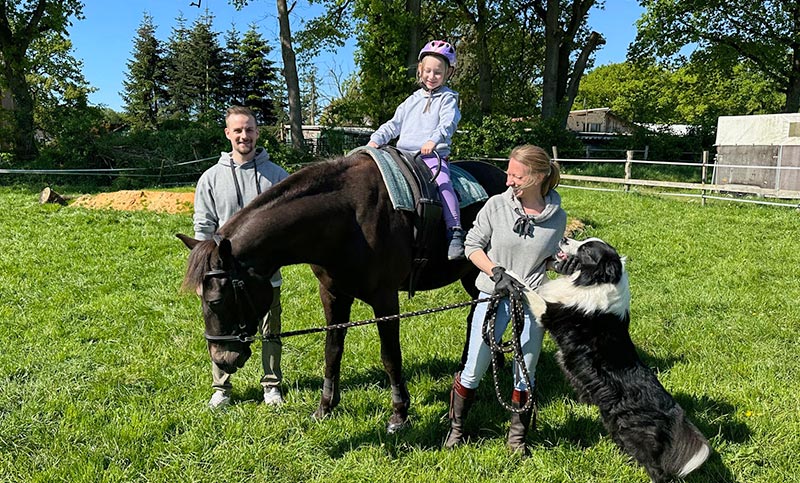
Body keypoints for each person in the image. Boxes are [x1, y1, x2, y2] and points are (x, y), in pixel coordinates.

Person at [443, 144, 567, 454]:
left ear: (538, 177)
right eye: (509, 173)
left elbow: (548, 259)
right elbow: (472, 246)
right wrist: (496, 271)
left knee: (526, 370)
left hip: (532, 300)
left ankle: (517, 438)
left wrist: (559, 264)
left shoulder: (557, 217)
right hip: (494, 295)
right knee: (474, 367)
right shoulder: (496, 206)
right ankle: (456, 429)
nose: (509, 180)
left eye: (517, 175)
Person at [193, 105, 290, 409]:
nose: (244, 135)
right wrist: (204, 276)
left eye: (249, 129)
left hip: (264, 273)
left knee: (270, 329)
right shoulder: (210, 179)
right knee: (221, 329)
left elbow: (290, 222)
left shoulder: (277, 177)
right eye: (238, 130)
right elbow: (203, 227)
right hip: (224, 277)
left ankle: (271, 385)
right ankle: (221, 387)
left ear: (258, 132)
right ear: (228, 134)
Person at [367, 40, 465, 260]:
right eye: (428, 71)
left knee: (443, 183)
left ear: (448, 72)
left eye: (438, 72)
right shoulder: (412, 99)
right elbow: (394, 124)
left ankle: (455, 230)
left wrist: (433, 141)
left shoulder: (448, 99)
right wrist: (375, 140)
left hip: (431, 155)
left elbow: (447, 124)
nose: (432, 76)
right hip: (402, 154)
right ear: (420, 70)